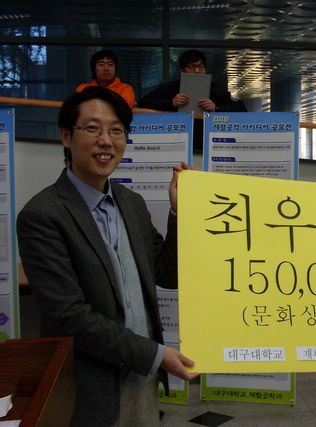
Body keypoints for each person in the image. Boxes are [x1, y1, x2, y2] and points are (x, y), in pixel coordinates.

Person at [17, 86, 199, 427]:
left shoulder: (132, 203)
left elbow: (167, 273)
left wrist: (179, 213)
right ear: (66, 136)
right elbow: (68, 316)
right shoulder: (42, 215)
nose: (106, 141)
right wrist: (156, 355)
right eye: (92, 128)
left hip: (142, 384)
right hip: (87, 391)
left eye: (116, 130)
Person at [139, 49, 246, 113]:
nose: (197, 70)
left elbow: (241, 108)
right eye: (192, 66)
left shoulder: (215, 89)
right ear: (182, 70)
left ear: (205, 69)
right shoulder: (171, 88)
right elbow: (144, 102)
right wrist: (171, 103)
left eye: (201, 66)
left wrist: (216, 108)